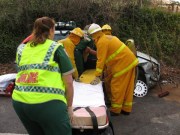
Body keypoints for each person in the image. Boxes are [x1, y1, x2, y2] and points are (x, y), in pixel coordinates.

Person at [12, 16, 74, 135]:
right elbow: (69, 83)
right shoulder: (56, 48)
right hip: (48, 104)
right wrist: (70, 107)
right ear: (51, 30)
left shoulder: (21, 49)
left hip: (20, 103)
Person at [88, 23, 139, 116]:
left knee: (117, 87)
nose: (92, 38)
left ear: (93, 35)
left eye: (91, 36)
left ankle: (115, 110)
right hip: (130, 62)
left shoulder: (101, 42)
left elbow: (101, 60)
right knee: (128, 87)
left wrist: (97, 76)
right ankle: (126, 109)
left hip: (122, 65)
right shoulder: (108, 38)